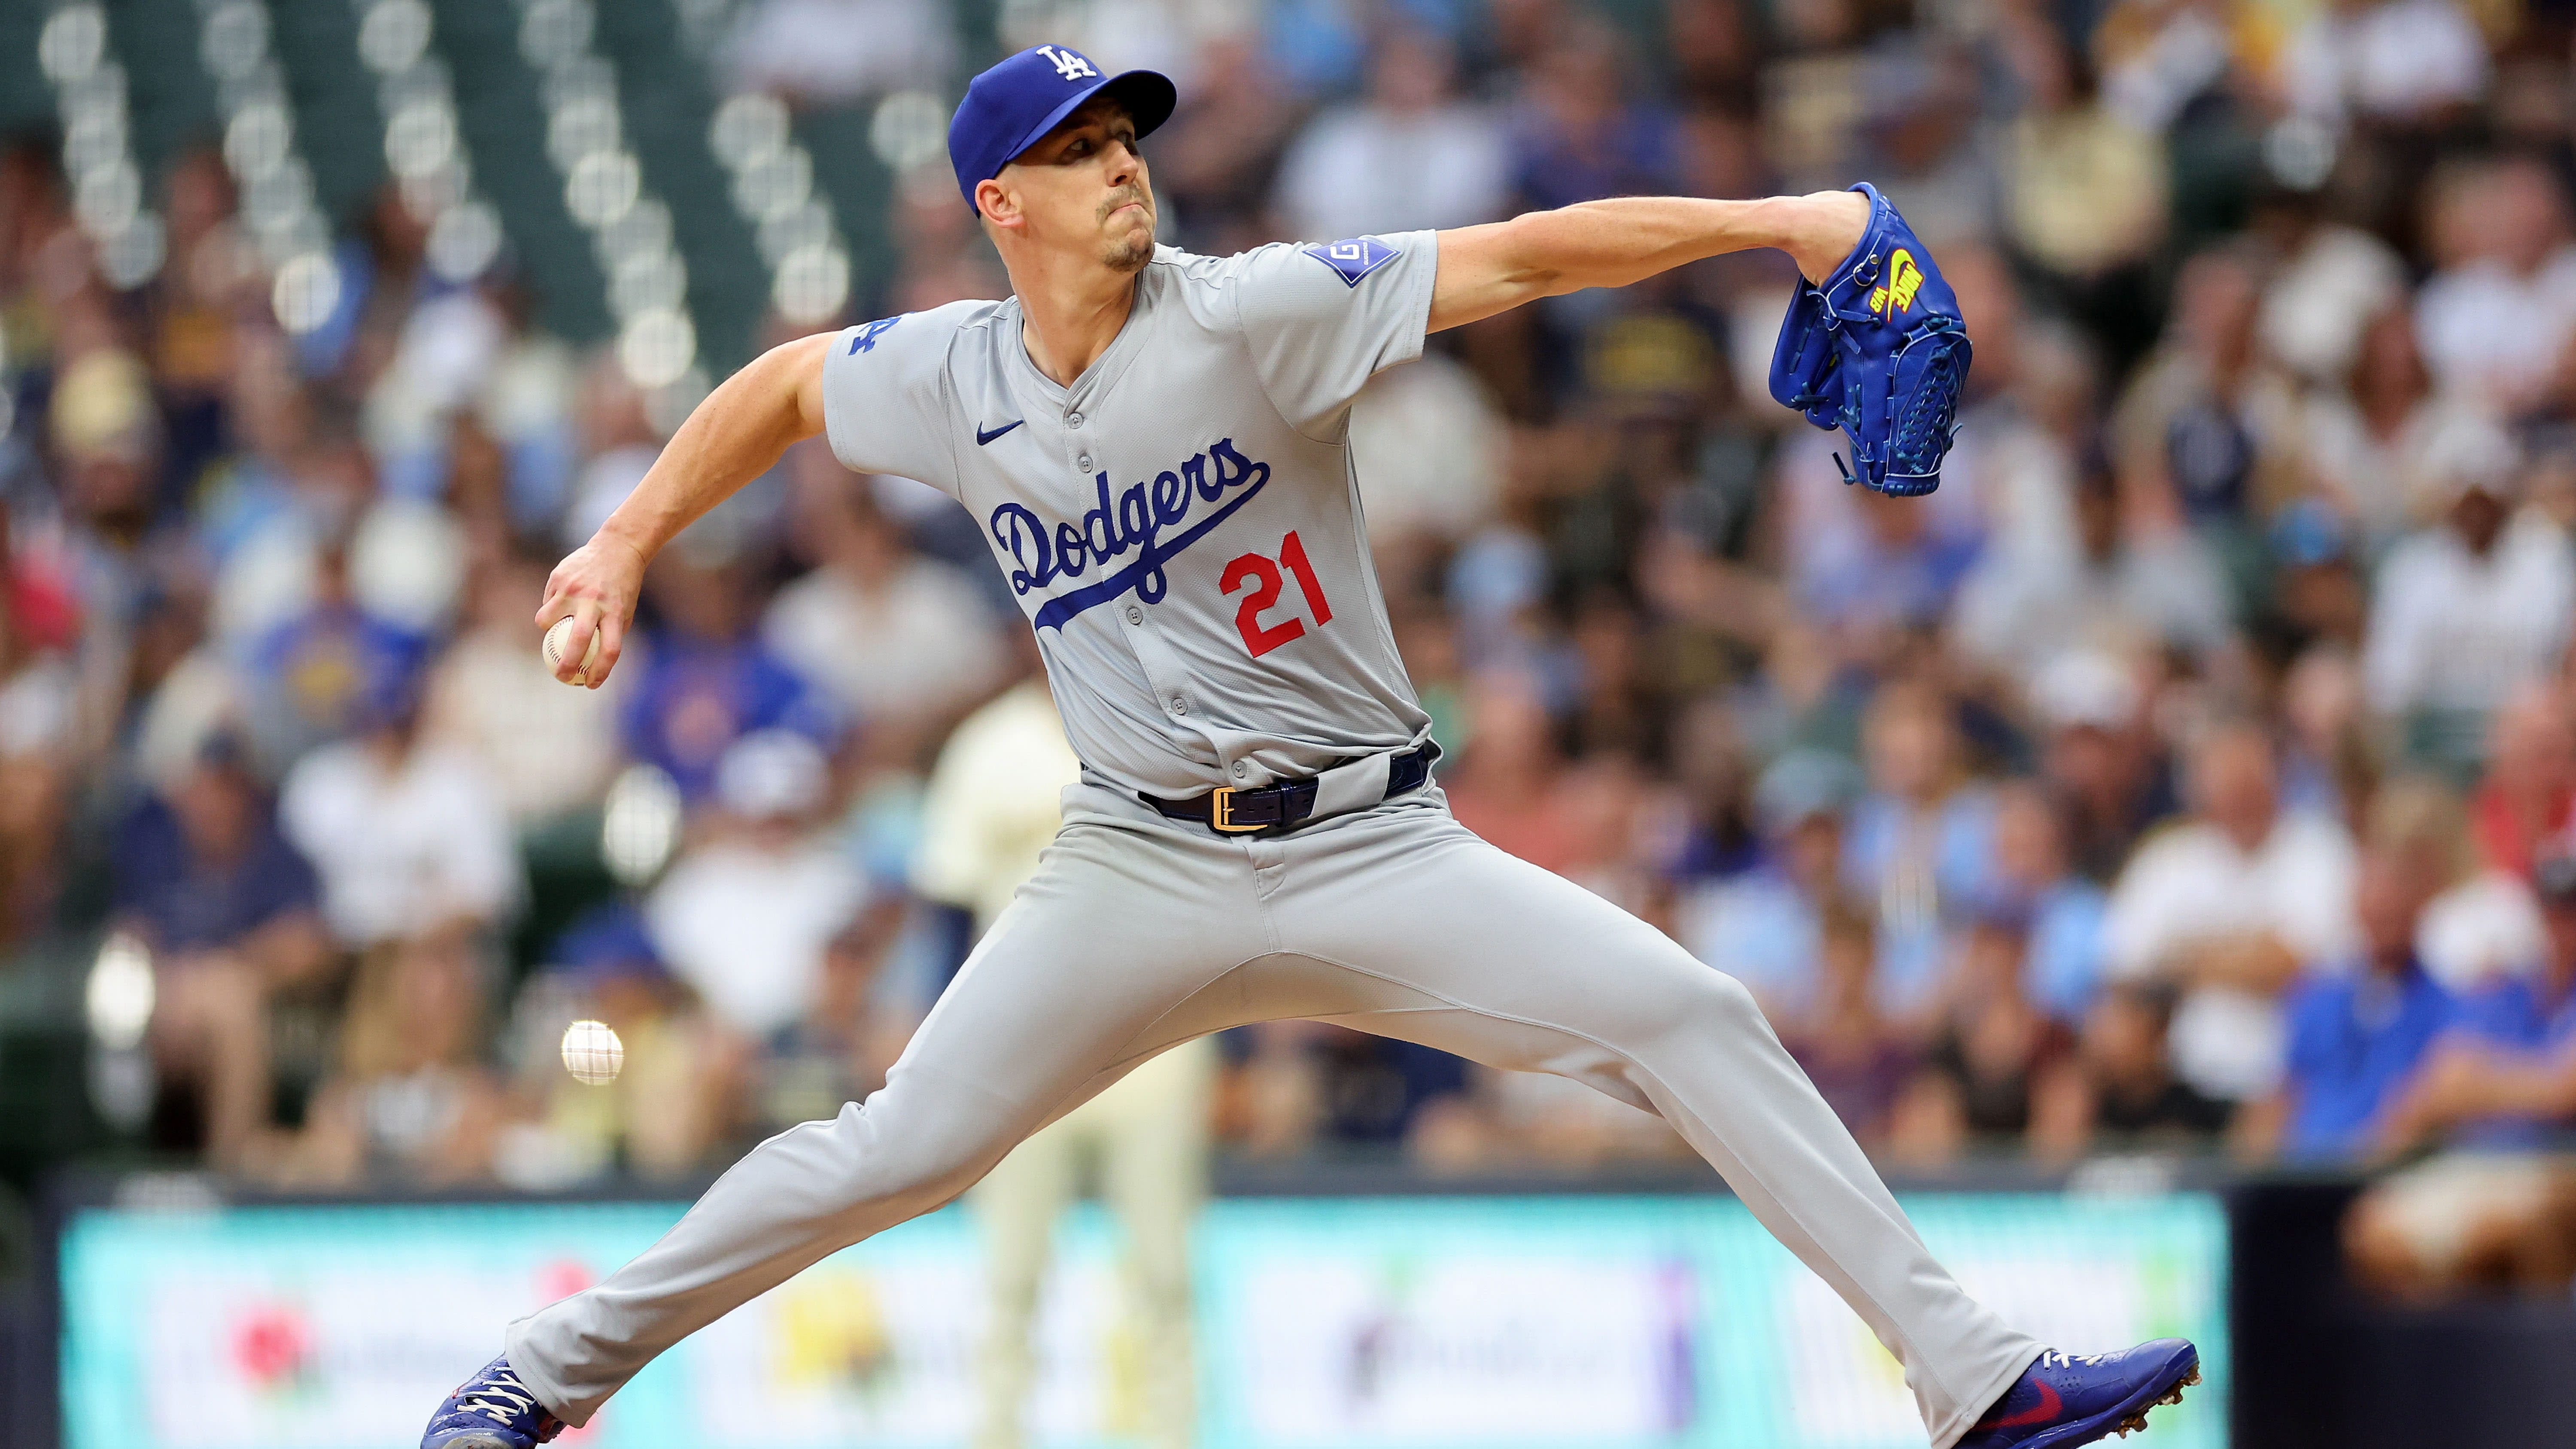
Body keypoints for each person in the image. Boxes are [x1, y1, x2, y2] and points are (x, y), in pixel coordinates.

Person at [421, 44, 2196, 1449]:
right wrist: (631, 534)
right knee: (900, 1147)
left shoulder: (1256, 307)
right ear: (1002, 203)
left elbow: (1529, 253)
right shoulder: (953, 373)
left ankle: (1973, 1378)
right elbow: (792, 383)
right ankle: (535, 1375)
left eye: (1129, 136)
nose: (1124, 164)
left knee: (1692, 1016)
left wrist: (1793, 220)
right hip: (1134, 859)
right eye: (1080, 148)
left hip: (1372, 845)